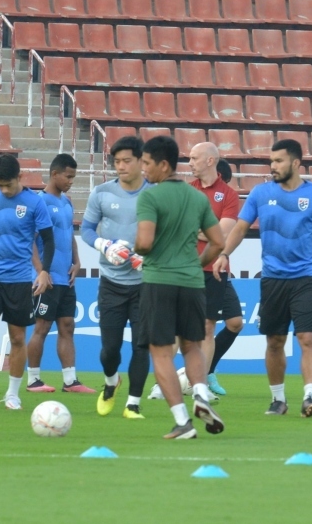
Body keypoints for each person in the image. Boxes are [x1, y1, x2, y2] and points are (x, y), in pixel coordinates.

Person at [213, 140, 312, 418]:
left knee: (308, 339)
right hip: (272, 280)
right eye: (271, 161)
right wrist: (224, 253)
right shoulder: (260, 193)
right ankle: (278, 400)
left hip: (306, 279)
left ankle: (309, 397)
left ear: (296, 163)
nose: (273, 166)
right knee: (274, 341)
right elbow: (239, 228)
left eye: (279, 161)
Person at [134, 135, 226, 440]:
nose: (143, 169)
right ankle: (201, 395)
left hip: (159, 281)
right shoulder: (197, 198)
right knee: (192, 345)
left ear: (163, 165)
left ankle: (182, 421)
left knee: (161, 352)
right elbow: (218, 242)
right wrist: (197, 263)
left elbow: (145, 243)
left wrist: (131, 250)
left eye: (147, 163)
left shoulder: (150, 197)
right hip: (192, 282)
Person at [0, 155, 54, 410]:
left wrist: (44, 271)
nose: (4, 190)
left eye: (8, 185)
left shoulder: (34, 203)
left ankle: (13, 394)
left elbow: (48, 240)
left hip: (18, 280)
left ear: (20, 177)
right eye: (0, 185)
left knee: (17, 338)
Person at [81, 136, 151, 419]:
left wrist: (148, 258)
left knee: (141, 345)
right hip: (111, 282)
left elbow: (167, 233)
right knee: (109, 350)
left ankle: (133, 403)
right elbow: (86, 229)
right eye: (116, 162)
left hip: (145, 284)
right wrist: (104, 246)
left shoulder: (154, 194)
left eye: (126, 161)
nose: (120, 166)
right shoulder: (101, 192)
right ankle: (111, 382)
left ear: (140, 162)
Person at [26, 154, 93, 394]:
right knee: (42, 327)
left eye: (73, 176)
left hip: (66, 277)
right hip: (49, 278)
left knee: (67, 325)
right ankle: (33, 379)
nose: (71, 181)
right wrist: (40, 271)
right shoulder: (39, 202)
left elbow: (69, 234)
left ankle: (70, 381)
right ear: (54, 174)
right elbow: (31, 241)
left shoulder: (67, 202)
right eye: (68, 176)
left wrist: (77, 261)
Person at [186, 144, 243, 397]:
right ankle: (185, 378)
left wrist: (203, 232)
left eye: (194, 158)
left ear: (210, 161)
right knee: (186, 329)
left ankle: (202, 384)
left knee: (210, 327)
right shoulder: (187, 191)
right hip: (187, 268)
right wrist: (209, 232)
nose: (190, 163)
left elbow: (223, 233)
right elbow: (182, 228)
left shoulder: (228, 195)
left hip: (214, 270)